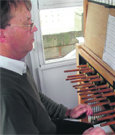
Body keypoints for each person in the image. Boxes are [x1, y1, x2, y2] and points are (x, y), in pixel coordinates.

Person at [0, 0, 106, 134]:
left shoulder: (15, 64)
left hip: (48, 127)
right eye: (27, 23)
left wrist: (66, 112)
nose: (35, 28)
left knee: (89, 127)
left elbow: (35, 98)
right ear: (2, 34)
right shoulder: (6, 96)